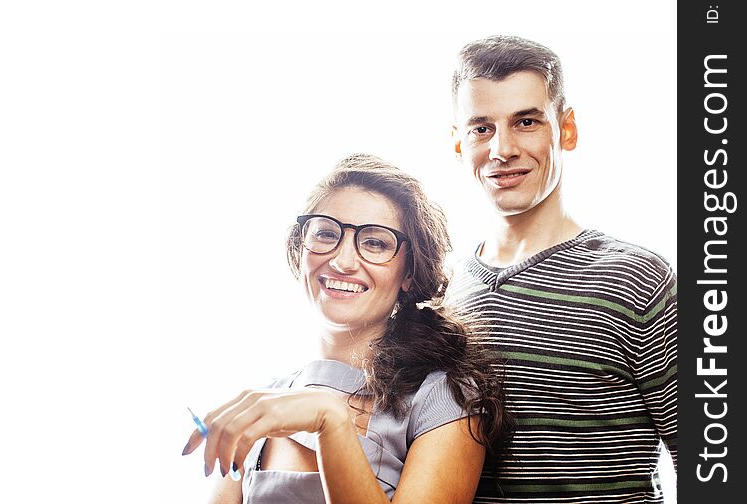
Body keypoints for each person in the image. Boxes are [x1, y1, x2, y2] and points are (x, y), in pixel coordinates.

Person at [182, 154, 512, 503]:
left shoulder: (443, 399)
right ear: (300, 249)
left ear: (410, 273)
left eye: (375, 243)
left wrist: (330, 420)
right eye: (326, 233)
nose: (342, 262)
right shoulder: (264, 402)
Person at [446, 35, 678, 502]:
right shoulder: (443, 287)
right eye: (481, 128)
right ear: (457, 141)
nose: (502, 149)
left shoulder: (638, 280)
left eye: (526, 121)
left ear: (566, 130)